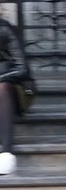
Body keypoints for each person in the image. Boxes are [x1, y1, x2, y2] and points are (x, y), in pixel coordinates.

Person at [0, 17, 36, 176]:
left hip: (16, 91)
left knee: (2, 88)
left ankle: (6, 154)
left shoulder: (4, 29)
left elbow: (23, 70)